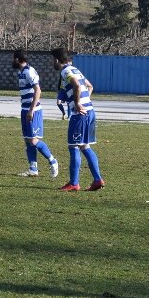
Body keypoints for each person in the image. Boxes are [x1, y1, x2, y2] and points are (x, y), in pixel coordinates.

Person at [51, 47, 105, 191]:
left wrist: (78, 103)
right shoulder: (75, 69)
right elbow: (89, 86)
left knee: (74, 146)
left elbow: (76, 84)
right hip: (90, 112)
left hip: (80, 115)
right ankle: (97, 180)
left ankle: (74, 183)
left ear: (56, 60)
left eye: (52, 61)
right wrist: (85, 100)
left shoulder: (65, 71)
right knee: (85, 146)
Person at [12, 50, 59, 178]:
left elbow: (38, 90)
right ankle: (33, 169)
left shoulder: (28, 71)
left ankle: (53, 161)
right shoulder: (21, 72)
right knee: (28, 140)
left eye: (13, 58)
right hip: (24, 109)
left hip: (34, 111)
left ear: (17, 59)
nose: (12, 61)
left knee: (33, 140)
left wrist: (31, 110)